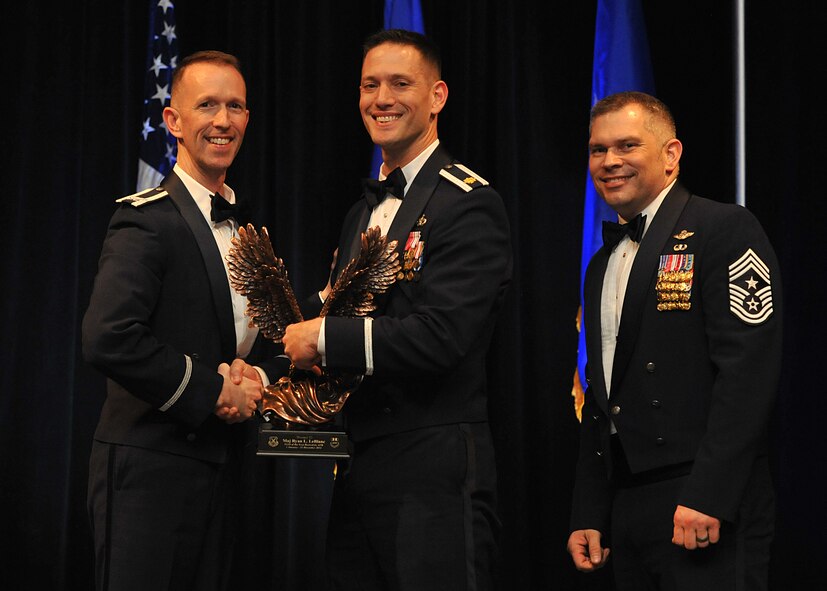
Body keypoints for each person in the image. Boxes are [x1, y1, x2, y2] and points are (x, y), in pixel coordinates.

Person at [282, 29, 512, 590]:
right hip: (357, 466)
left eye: (400, 84)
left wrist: (322, 339)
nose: (381, 99)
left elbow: (441, 336)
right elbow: (333, 306)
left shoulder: (469, 203)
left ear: (437, 97)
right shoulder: (360, 214)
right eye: (370, 85)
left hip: (433, 472)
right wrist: (259, 362)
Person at [82, 50, 283, 591]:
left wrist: (256, 377)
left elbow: (266, 341)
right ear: (173, 120)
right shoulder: (145, 220)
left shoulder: (251, 233)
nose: (223, 120)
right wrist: (211, 391)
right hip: (149, 473)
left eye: (235, 106)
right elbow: (108, 337)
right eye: (207, 105)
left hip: (229, 472)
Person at [567, 91, 782, 590]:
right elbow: (600, 395)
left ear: (671, 154)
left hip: (705, 498)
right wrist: (590, 509)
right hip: (627, 502)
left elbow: (748, 373)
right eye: (598, 149)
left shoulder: (723, 228)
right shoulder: (600, 264)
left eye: (627, 146)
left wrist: (710, 494)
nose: (609, 161)